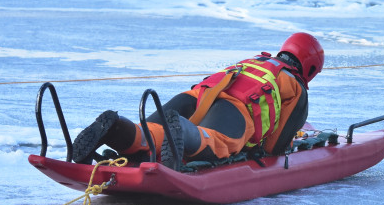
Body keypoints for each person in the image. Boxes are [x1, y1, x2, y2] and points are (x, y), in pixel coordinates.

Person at [70, 32, 324, 170]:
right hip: (235, 111)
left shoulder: (255, 60)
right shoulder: (296, 86)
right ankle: (184, 131)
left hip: (198, 96)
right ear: (311, 68)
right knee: (217, 142)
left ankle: (115, 127)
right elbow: (275, 146)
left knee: (150, 134)